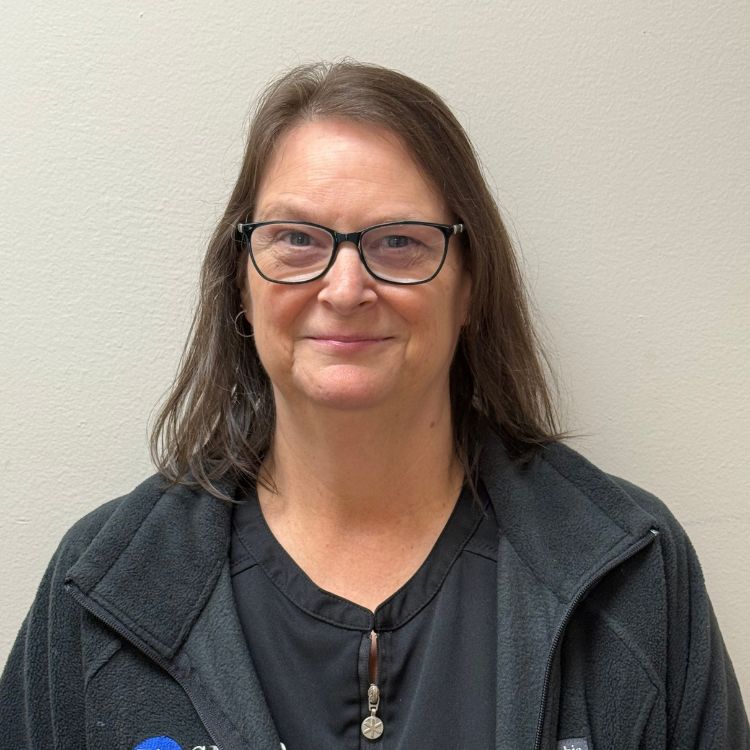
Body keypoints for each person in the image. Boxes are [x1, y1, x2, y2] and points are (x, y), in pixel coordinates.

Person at [0, 61, 747, 750]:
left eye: (399, 242)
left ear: (471, 286)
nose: (346, 288)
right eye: (297, 238)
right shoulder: (101, 588)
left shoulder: (632, 571)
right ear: (241, 285)